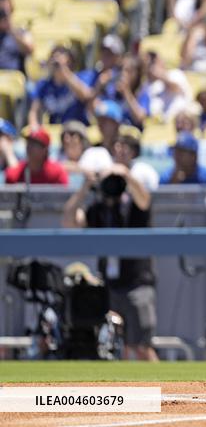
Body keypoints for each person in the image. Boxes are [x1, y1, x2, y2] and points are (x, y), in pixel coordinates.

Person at [62, 156, 157, 361]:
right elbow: (69, 221)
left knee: (141, 346)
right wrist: (86, 186)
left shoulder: (132, 207)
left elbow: (145, 200)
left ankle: (166, 391)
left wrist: (126, 174)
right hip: (108, 287)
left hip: (136, 284)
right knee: (113, 347)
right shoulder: (98, 210)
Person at [2, 128, 68, 185]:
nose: (29, 147)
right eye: (29, 142)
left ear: (44, 150)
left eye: (34, 144)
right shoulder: (15, 173)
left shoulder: (56, 172)